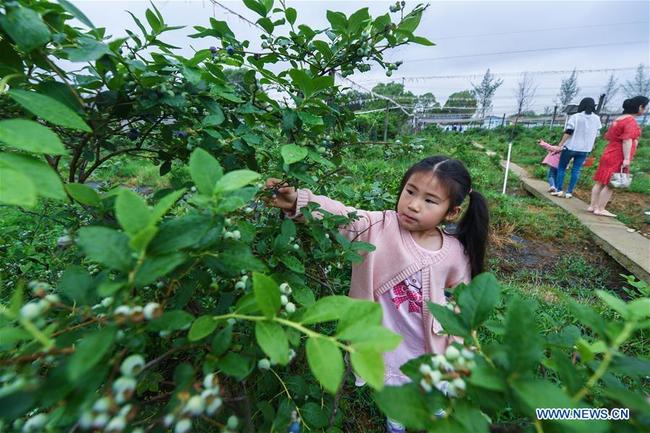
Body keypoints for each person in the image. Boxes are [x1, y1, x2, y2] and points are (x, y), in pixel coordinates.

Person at [265, 156, 489, 433]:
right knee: (395, 408)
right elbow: (341, 215)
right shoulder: (378, 227)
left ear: (451, 212)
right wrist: (298, 201)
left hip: (432, 348)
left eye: (430, 200)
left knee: (436, 406)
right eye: (410, 191)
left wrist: (461, 345)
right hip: (390, 348)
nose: (414, 204)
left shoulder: (453, 252)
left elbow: (463, 301)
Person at [589, 96, 648, 217]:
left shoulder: (618, 119)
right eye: (645, 107)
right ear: (640, 107)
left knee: (600, 181)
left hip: (609, 152)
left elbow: (609, 136)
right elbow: (627, 140)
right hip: (618, 155)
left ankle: (592, 206)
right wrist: (626, 158)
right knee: (611, 183)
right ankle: (600, 208)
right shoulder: (630, 121)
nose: (645, 110)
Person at [550, 97, 602, 198]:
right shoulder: (596, 118)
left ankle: (559, 190)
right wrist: (592, 144)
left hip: (570, 147)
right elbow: (597, 134)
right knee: (576, 170)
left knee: (561, 168)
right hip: (584, 149)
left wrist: (561, 144)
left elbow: (569, 131)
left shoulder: (576, 117)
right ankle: (569, 192)